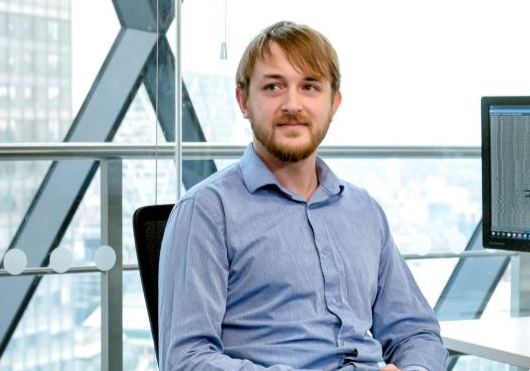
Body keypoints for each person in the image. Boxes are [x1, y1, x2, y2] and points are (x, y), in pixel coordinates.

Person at [158, 21, 444, 371]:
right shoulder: (207, 211)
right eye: (274, 86)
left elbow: (417, 333)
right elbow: (185, 360)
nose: (292, 104)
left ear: (333, 103)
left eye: (309, 86)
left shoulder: (364, 211)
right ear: (243, 101)